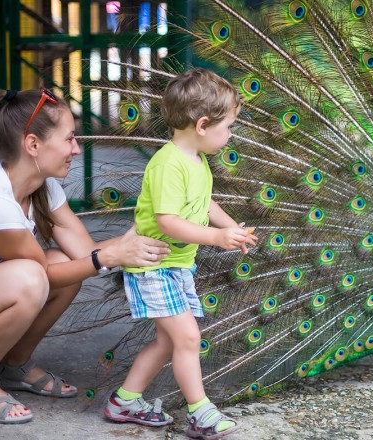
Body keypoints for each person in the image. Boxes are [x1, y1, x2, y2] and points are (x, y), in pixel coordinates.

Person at [0, 87, 170, 424]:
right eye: (69, 139)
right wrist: (109, 258)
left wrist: (144, 231)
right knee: (31, 280)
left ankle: (13, 365)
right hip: (20, 280)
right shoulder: (0, 203)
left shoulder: (43, 190)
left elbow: (85, 252)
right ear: (33, 145)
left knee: (64, 264)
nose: (76, 150)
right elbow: (46, 273)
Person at [103, 68, 257, 439]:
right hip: (153, 266)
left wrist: (230, 226)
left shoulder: (196, 162)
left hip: (175, 267)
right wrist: (216, 238)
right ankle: (200, 413)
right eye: (228, 127)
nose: (231, 135)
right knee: (188, 337)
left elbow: (205, 204)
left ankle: (123, 401)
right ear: (203, 125)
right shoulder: (168, 164)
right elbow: (168, 222)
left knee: (168, 341)